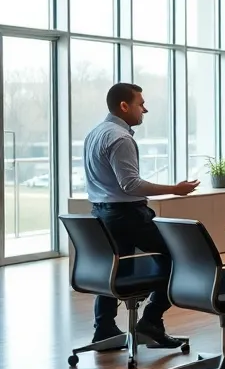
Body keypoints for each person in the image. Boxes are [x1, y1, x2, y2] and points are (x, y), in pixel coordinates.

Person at [81, 83, 199, 348]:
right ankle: (151, 321)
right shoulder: (121, 138)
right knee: (183, 255)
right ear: (124, 106)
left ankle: (105, 328)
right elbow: (130, 185)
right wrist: (175, 190)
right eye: (140, 103)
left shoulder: (95, 133)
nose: (144, 109)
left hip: (102, 213)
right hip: (127, 216)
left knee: (113, 267)